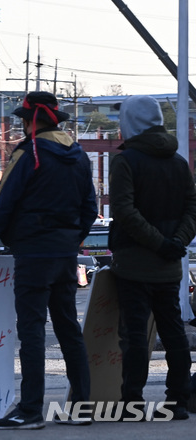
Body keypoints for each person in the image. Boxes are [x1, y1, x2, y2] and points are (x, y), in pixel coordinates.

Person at [0, 91, 98, 429]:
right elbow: (91, 210)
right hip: (65, 255)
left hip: (33, 254)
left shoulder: (30, 154)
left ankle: (30, 411)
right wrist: (72, 238)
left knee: (32, 332)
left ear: (30, 121)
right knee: (69, 330)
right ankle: (81, 408)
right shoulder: (79, 156)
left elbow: (4, 204)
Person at [109, 95, 196, 421]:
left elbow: (124, 211)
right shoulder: (177, 162)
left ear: (131, 122)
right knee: (173, 332)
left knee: (133, 336)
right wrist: (176, 242)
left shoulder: (126, 161)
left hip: (133, 264)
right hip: (170, 266)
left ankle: (132, 402)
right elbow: (192, 207)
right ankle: (178, 401)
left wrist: (158, 243)